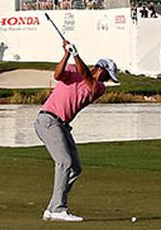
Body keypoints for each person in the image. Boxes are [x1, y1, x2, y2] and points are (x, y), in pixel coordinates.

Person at [34, 39, 119, 222]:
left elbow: (86, 76)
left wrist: (76, 54)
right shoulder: (73, 70)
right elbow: (57, 75)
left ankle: (53, 207)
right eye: (107, 76)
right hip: (48, 120)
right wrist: (67, 54)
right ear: (101, 69)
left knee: (75, 168)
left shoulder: (99, 88)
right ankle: (59, 208)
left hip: (61, 125)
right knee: (65, 162)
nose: (107, 80)